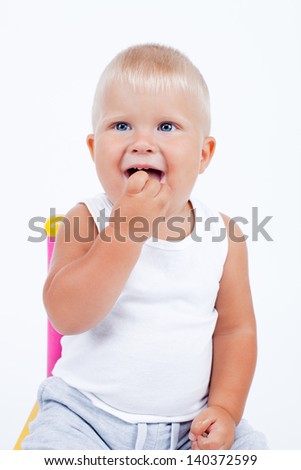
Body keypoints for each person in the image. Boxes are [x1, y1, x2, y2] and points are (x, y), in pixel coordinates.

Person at [23, 44, 268, 450]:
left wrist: (225, 410)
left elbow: (235, 330)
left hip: (189, 427)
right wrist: (124, 230)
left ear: (204, 154)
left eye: (166, 127)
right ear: (93, 148)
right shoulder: (85, 219)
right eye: (121, 126)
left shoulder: (225, 236)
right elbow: (65, 315)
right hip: (84, 417)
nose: (141, 143)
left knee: (252, 450)